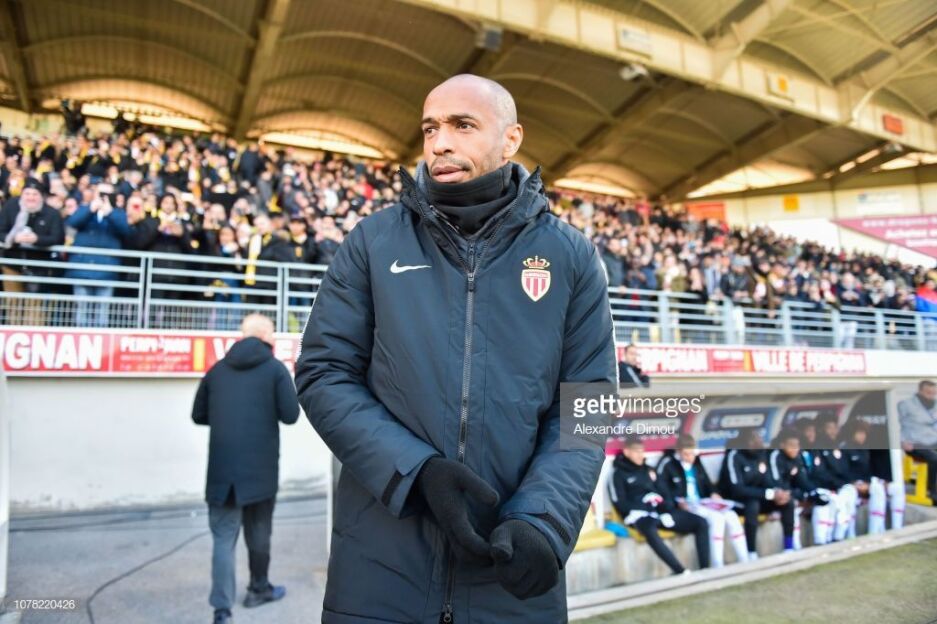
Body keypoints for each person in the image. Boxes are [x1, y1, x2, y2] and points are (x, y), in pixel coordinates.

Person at [295, 74, 617, 623]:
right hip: (379, 572)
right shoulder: (373, 241)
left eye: (463, 125)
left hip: (511, 571)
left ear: (511, 139)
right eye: (430, 129)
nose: (440, 142)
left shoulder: (570, 256)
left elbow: (587, 402)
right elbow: (323, 372)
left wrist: (544, 519)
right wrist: (415, 472)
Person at [192, 314, 300, 624]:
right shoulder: (275, 369)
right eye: (273, 333)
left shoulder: (217, 370)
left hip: (222, 474)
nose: (274, 338)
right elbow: (291, 415)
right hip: (260, 473)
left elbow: (198, 415)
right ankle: (258, 589)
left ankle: (222, 610)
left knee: (223, 540)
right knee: (259, 533)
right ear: (265, 335)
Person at [609, 437, 710, 574]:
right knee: (649, 528)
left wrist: (663, 503)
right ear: (627, 452)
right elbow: (620, 504)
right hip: (639, 515)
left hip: (661, 512)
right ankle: (680, 570)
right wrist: (645, 504)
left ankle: (705, 570)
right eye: (636, 451)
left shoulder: (649, 470)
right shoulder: (617, 474)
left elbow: (664, 492)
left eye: (642, 451)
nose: (640, 455)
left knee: (701, 522)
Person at [657, 434, 748, 566]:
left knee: (732, 516)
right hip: (687, 507)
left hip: (703, 503)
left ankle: (745, 559)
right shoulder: (668, 464)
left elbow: (708, 484)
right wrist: (677, 502)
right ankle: (717, 564)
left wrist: (714, 494)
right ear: (678, 452)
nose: (690, 457)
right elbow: (663, 490)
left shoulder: (697, 463)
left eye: (692, 453)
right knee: (717, 519)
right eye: (686, 454)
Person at [718, 430, 795, 559]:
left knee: (788, 502)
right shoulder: (734, 456)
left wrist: (777, 492)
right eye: (754, 439)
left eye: (758, 438)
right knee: (753, 505)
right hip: (737, 501)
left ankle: (789, 547)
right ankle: (751, 552)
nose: (759, 441)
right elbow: (737, 489)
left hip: (760, 497)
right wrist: (768, 494)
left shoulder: (761, 455)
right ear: (746, 442)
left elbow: (767, 480)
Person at [0, 177, 65, 325]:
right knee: (13, 304)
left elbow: (58, 238)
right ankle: (14, 332)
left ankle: (33, 333)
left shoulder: (52, 213)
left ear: (41, 196)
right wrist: (14, 238)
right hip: (13, 264)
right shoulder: (11, 206)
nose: (31, 197)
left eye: (35, 194)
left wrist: (37, 239)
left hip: (39, 266)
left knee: (35, 306)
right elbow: (1, 231)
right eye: (27, 193)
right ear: (22, 194)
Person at [65, 187, 131, 327]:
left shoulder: (118, 213)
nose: (104, 196)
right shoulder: (85, 209)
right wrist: (91, 209)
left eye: (108, 194)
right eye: (101, 193)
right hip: (82, 268)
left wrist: (110, 213)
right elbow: (72, 222)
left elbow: (126, 231)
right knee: (82, 310)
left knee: (102, 313)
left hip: (107, 271)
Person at [767, 428, 832, 550]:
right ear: (782, 445)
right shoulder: (775, 456)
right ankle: (792, 547)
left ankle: (822, 540)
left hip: (792, 494)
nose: (795, 448)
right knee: (792, 505)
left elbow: (802, 481)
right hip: (774, 498)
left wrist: (813, 492)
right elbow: (776, 483)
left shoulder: (797, 457)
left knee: (822, 498)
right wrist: (794, 494)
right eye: (791, 445)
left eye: (797, 445)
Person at [841, 421, 904, 535]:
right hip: (850, 486)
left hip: (867, 483)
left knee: (896, 488)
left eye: (864, 433)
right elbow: (843, 472)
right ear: (852, 433)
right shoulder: (845, 448)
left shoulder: (865, 449)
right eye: (859, 433)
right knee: (875, 490)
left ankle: (894, 529)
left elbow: (869, 471)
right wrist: (855, 483)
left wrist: (878, 481)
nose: (862, 436)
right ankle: (856, 534)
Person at [899, 380, 937, 501]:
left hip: (932, 440)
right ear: (920, 391)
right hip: (914, 443)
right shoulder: (906, 405)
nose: (931, 396)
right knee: (934, 459)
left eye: (934, 393)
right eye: (928, 393)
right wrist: (902, 441)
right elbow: (897, 423)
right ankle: (932, 491)